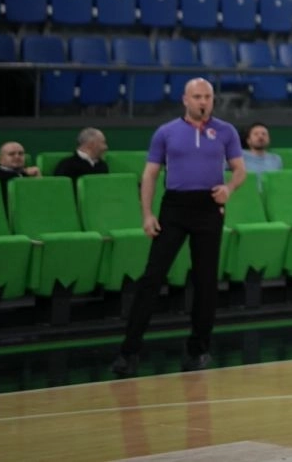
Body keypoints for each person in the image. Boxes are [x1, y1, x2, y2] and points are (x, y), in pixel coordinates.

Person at [111, 78, 245, 376]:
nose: (203, 101)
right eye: (197, 96)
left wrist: (229, 188)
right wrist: (147, 214)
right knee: (152, 277)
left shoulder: (226, 131)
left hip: (209, 206)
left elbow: (240, 169)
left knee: (205, 281)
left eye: (207, 96)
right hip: (175, 207)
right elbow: (150, 174)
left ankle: (198, 350)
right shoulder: (166, 132)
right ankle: (128, 352)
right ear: (185, 100)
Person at [0, 141, 40, 207]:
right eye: (11, 154)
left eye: (21, 154)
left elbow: (40, 199)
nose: (17, 157)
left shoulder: (31, 175)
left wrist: (38, 177)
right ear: (1, 159)